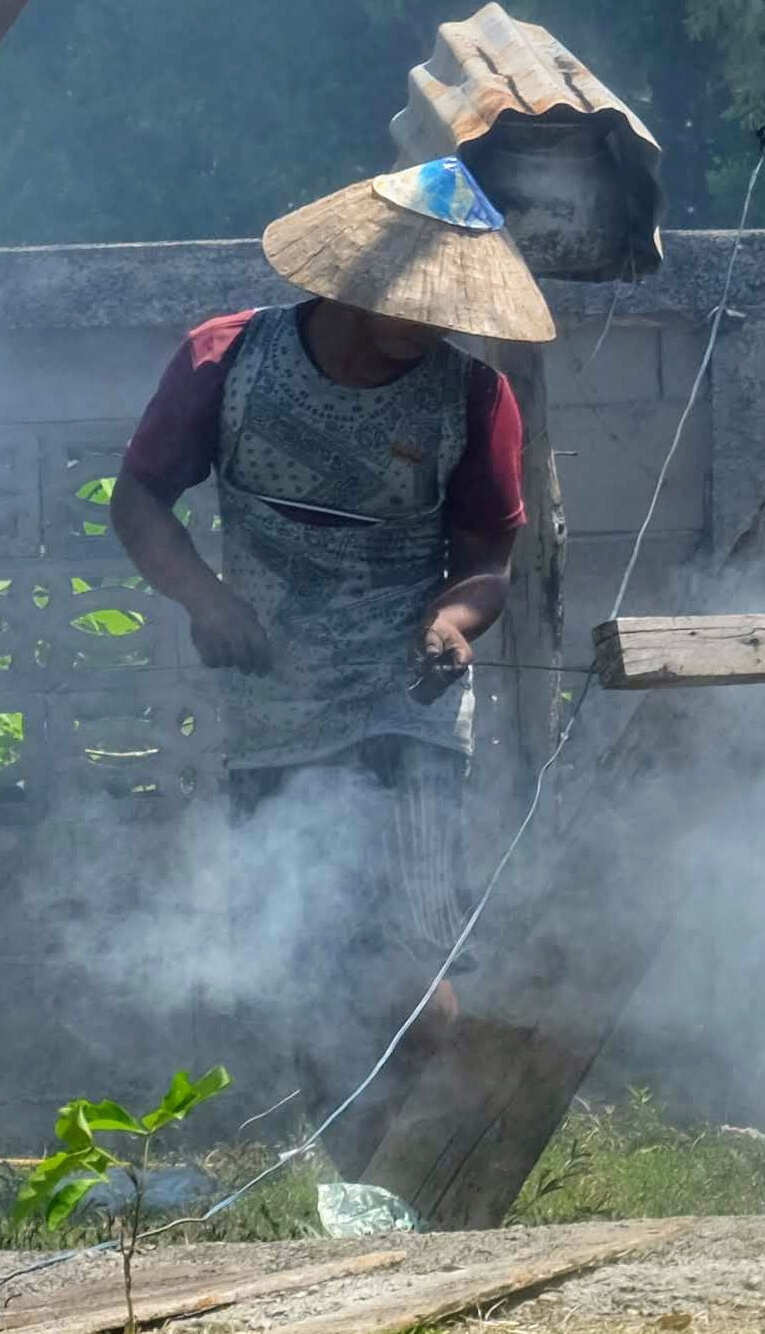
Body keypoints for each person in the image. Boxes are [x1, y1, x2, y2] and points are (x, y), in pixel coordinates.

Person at [111, 157, 547, 1108]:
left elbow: (486, 559)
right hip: (274, 704)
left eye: (449, 304)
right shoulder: (226, 361)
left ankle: (415, 1161)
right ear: (355, 275)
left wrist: (451, 620)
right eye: (415, 297)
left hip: (408, 705)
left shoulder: (472, 399)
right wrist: (207, 600)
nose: (432, 321)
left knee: (412, 976)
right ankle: (336, 1159)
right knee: (304, 966)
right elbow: (139, 498)